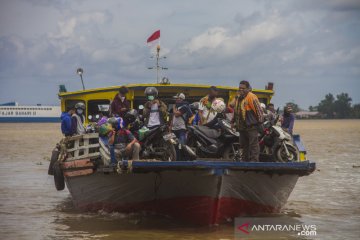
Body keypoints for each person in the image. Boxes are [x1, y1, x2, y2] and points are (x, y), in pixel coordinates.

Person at [232, 80, 264, 162]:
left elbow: (259, 111)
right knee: (243, 145)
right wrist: (232, 122)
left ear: (247, 89)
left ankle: (254, 161)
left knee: (253, 145)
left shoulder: (251, 96)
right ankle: (245, 160)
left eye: (243, 88)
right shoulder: (238, 97)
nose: (241, 90)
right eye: (240, 88)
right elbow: (236, 111)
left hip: (251, 126)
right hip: (242, 127)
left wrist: (260, 123)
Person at [170, 93, 192, 161]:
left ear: (181, 99)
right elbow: (173, 118)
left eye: (177, 98)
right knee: (174, 145)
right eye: (176, 98)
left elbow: (176, 114)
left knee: (181, 145)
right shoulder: (177, 107)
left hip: (181, 129)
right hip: (174, 129)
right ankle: (176, 159)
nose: (176, 99)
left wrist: (173, 108)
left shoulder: (185, 106)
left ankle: (182, 160)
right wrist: (170, 128)